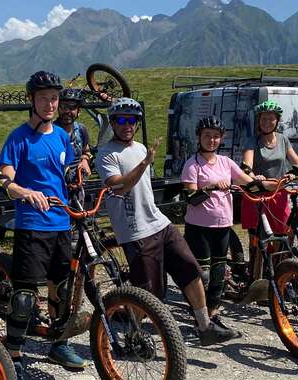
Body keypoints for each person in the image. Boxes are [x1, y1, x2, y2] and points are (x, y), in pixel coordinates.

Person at [96, 98, 235, 345]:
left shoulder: (139, 147)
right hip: (135, 230)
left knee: (192, 271)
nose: (127, 125)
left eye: (132, 120)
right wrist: (145, 163)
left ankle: (205, 327)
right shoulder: (107, 154)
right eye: (121, 120)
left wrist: (145, 160)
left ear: (137, 124)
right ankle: (134, 336)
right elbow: (120, 186)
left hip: (160, 222)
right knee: (148, 293)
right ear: (113, 122)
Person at [0, 71, 86, 380]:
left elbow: (66, 170)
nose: (51, 103)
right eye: (44, 97)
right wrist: (24, 192)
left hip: (61, 223)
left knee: (60, 288)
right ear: (31, 100)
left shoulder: (61, 136)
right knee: (23, 297)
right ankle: (15, 356)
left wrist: (78, 171)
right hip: (32, 225)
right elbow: (3, 181)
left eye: (55, 97)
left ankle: (58, 344)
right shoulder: (18, 138)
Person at [180, 116, 263, 319]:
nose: (212, 140)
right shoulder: (192, 165)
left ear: (221, 139)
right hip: (198, 227)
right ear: (199, 137)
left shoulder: (226, 162)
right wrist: (210, 187)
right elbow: (191, 198)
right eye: (207, 135)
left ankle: (213, 313)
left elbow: (248, 183)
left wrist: (273, 183)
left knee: (218, 273)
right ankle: (198, 311)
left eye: (216, 136)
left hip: (222, 225)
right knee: (203, 274)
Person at [239, 100, 298, 236]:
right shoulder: (252, 141)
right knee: (259, 236)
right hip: (258, 193)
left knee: (283, 230)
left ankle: (281, 257)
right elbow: (246, 166)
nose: (267, 122)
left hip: (279, 191)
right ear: (259, 120)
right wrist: (255, 177)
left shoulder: (283, 139)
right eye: (263, 118)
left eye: (271, 118)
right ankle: (256, 257)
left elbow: (296, 162)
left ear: (277, 121)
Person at [56, 87, 92, 178]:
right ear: (58, 109)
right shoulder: (51, 132)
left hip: (78, 182)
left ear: (78, 111)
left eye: (72, 107)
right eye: (63, 107)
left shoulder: (81, 130)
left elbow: (86, 151)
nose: (67, 111)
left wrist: (84, 160)